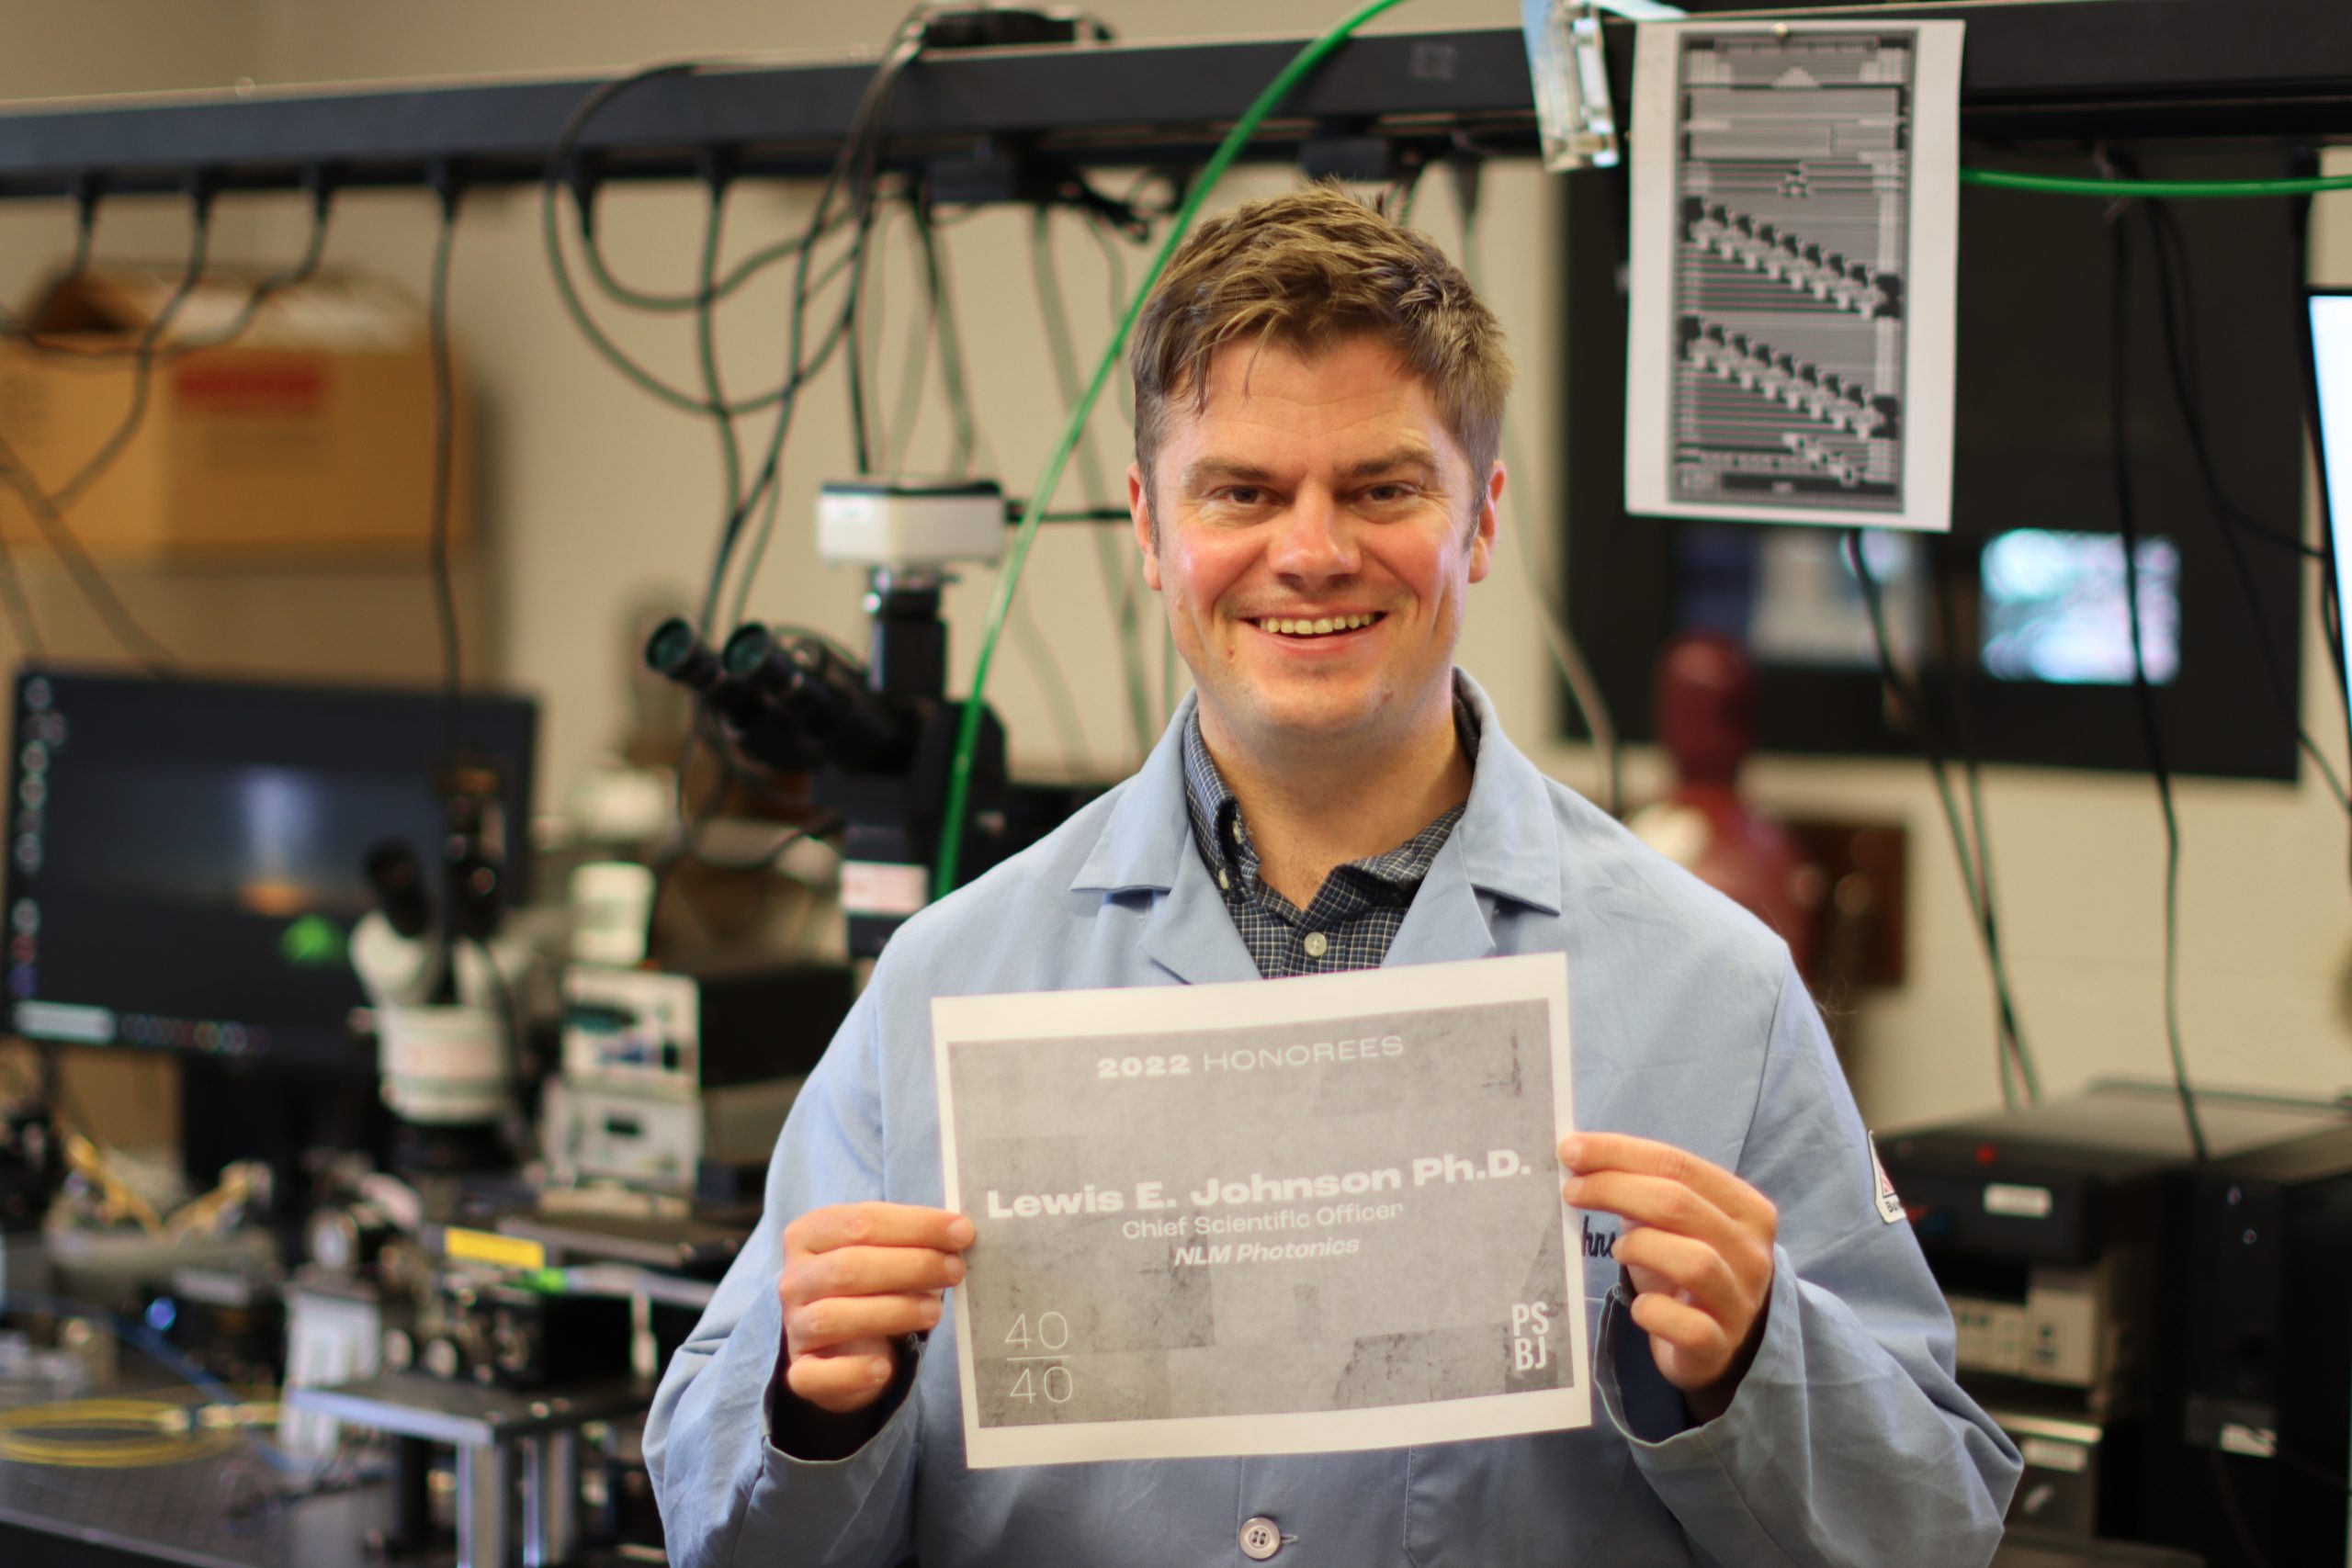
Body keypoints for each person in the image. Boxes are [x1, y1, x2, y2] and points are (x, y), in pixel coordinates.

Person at [645, 186, 2019, 1567]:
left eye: (1382, 488)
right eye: (1241, 491)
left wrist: (1751, 1365)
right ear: (1149, 527)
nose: (1310, 550)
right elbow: (719, 1528)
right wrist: (816, 1415)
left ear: (1478, 523)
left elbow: (1934, 1530)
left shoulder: (1714, 994)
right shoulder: (943, 987)